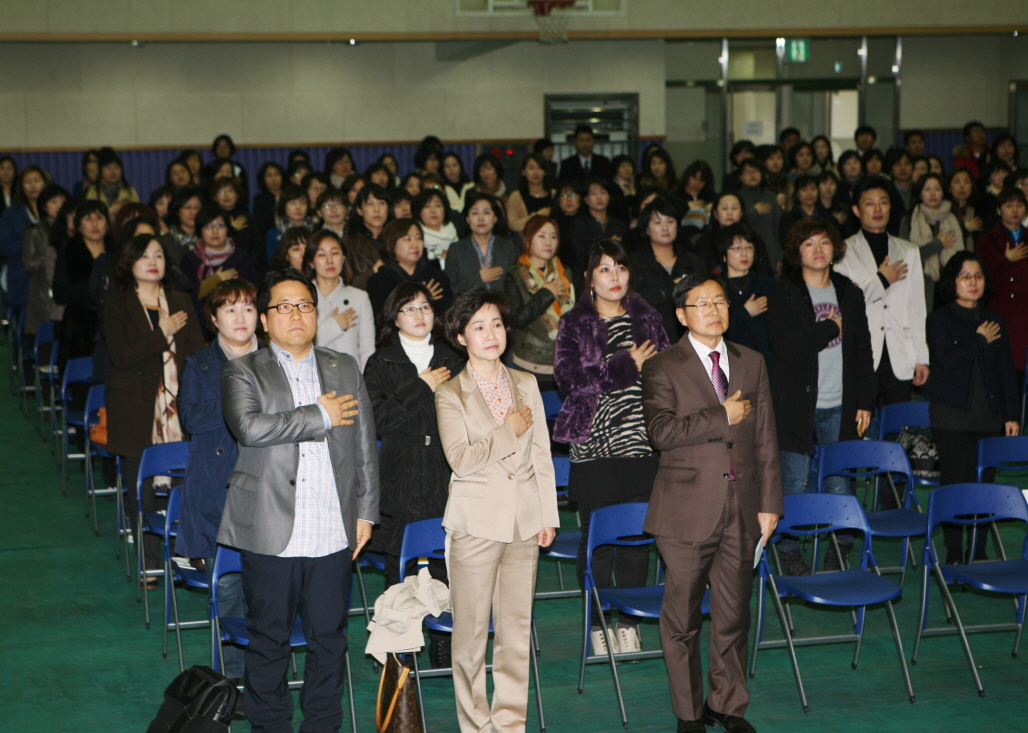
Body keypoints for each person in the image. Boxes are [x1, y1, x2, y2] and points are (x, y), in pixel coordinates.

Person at [218, 267, 379, 733]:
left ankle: (323, 726)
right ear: (265, 320)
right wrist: (318, 416)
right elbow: (249, 427)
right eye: (283, 306)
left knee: (329, 640)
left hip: (333, 528)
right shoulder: (243, 369)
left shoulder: (344, 366)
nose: (295, 314)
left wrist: (367, 511)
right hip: (271, 528)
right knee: (269, 641)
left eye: (305, 305)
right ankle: (270, 727)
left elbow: (366, 444)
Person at [641, 272, 782, 733]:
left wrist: (770, 503)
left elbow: (765, 439)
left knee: (733, 614)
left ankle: (727, 706)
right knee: (682, 618)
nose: (714, 310)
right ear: (682, 315)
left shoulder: (751, 361)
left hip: (742, 507)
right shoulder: (662, 366)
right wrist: (721, 414)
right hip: (684, 510)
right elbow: (661, 433)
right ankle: (689, 713)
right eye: (702, 304)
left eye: (720, 301)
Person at [434, 287, 558, 733]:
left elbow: (542, 452)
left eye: (498, 324)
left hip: (525, 521)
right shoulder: (450, 393)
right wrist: (508, 431)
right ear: (462, 337)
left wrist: (548, 514)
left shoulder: (524, 381)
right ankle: (474, 726)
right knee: (469, 640)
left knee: (515, 634)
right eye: (479, 327)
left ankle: (509, 725)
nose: (491, 334)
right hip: (476, 523)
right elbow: (461, 460)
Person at [552, 239, 670, 654]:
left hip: (643, 445)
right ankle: (599, 622)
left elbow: (668, 372)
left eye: (620, 267)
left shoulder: (648, 318)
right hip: (595, 449)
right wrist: (626, 365)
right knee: (600, 544)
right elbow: (569, 381)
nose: (614, 276)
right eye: (605, 269)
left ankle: (629, 622)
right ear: (590, 278)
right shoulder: (575, 323)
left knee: (637, 542)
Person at [768, 217, 876, 574]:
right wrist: (830, 328)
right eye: (809, 243)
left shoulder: (849, 292)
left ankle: (840, 545)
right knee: (793, 482)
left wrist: (865, 401)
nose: (818, 250)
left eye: (825, 242)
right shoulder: (784, 293)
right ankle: (788, 549)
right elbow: (785, 346)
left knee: (839, 482)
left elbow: (862, 351)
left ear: (835, 249)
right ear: (797, 252)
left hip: (841, 403)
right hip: (796, 405)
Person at [105, 234, 205, 576]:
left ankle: (182, 554)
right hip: (136, 412)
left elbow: (197, 353)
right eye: (145, 255)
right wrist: (161, 333)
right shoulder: (117, 307)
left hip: (181, 411)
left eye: (159, 255)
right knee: (142, 493)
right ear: (129, 264)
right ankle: (149, 565)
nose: (153, 260)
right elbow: (122, 358)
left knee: (186, 486)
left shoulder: (180, 300)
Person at [176, 279, 260, 682]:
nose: (240, 318)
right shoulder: (199, 364)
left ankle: (267, 670)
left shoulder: (280, 359)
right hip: (218, 488)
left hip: (274, 489)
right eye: (229, 310)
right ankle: (236, 680)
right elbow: (192, 418)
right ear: (213, 320)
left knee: (272, 590)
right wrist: (244, 404)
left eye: (247, 308)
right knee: (229, 587)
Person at [362, 282, 464, 595]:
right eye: (408, 308)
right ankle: (397, 643)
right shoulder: (380, 363)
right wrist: (420, 386)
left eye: (425, 307)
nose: (418, 314)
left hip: (444, 469)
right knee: (399, 566)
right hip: (399, 471)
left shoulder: (455, 359)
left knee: (445, 561)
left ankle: (443, 642)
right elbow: (378, 420)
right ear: (394, 318)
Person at [927, 252, 1020, 563]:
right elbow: (946, 360)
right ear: (952, 282)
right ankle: (954, 552)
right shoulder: (939, 319)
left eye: (978, 276)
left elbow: (1007, 370)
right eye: (965, 276)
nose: (973, 282)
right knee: (956, 485)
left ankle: (977, 551)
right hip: (951, 420)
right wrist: (979, 340)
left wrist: (1012, 415)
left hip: (989, 419)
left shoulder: (995, 320)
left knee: (985, 489)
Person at [833, 176, 930, 410]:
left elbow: (917, 307)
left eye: (883, 202)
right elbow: (846, 303)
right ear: (856, 209)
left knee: (899, 428)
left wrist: (922, 357)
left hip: (900, 350)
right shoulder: (842, 252)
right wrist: (881, 280)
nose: (877, 209)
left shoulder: (908, 250)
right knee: (860, 426)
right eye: (869, 203)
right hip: (862, 352)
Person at [504, 215, 574, 387]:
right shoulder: (516, 275)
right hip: (531, 362)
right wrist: (546, 293)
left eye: (553, 236)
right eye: (541, 236)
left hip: (564, 360)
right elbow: (518, 319)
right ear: (528, 240)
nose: (548, 242)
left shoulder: (565, 273)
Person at [630, 197, 705, 341]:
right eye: (658, 222)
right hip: (650, 340)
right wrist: (671, 290)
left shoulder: (693, 262)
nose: (665, 228)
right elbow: (634, 304)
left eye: (670, 221)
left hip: (692, 340)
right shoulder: (635, 263)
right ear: (646, 229)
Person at [181, 205, 259, 333]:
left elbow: (254, 293)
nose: (215, 232)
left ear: (228, 229)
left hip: (240, 327)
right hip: (200, 330)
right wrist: (214, 280)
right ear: (200, 231)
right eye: (208, 226)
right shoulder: (190, 260)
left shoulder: (241, 257)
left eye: (219, 226)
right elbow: (187, 299)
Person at [977, 187, 1028, 374]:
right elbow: (981, 277)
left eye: (1020, 205)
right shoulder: (986, 240)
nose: (1015, 210)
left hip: (1024, 312)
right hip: (998, 311)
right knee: (1000, 370)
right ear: (999, 210)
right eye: (1009, 205)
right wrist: (1006, 260)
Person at [307, 229, 374, 370]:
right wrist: (333, 326)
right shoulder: (303, 298)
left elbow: (367, 350)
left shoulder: (359, 297)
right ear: (311, 262)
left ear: (343, 258)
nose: (329, 260)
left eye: (335, 253)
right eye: (321, 254)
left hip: (350, 380)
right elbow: (298, 347)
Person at [53, 200, 110, 362]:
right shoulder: (69, 251)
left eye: (99, 218)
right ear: (78, 226)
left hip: (113, 323)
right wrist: (95, 281)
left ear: (107, 223)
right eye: (88, 219)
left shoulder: (117, 252)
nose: (94, 224)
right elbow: (60, 294)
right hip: (79, 327)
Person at [899, 172, 965, 310]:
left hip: (950, 283)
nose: (933, 193)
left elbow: (963, 255)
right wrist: (937, 245)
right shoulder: (909, 220)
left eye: (937, 189)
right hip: (921, 284)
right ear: (919, 194)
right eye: (927, 189)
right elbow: (905, 257)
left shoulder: (953, 218)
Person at [717, 223, 776, 375]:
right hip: (727, 367)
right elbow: (715, 331)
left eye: (749, 248)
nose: (744, 254)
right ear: (724, 254)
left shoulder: (769, 286)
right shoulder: (715, 289)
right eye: (737, 248)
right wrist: (745, 313)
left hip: (766, 368)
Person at [367, 218, 452, 315]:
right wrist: (422, 300)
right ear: (391, 244)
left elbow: (448, 317)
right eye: (407, 239)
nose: (415, 244)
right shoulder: (379, 281)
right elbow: (382, 319)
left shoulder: (437, 277)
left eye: (419, 238)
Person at [446, 192, 518, 295]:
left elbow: (515, 288)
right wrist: (478, 278)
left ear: (495, 218)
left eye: (486, 212)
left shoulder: (508, 247)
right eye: (475, 213)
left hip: (502, 309)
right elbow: (450, 290)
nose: (481, 218)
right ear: (467, 218)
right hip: (468, 309)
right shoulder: (456, 249)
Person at [0, 165, 51, 311]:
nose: (33, 185)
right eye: (28, 182)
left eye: (37, 180)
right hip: (22, 279)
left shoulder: (53, 210)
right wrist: (33, 244)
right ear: (21, 186)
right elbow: (4, 246)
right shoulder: (11, 213)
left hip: (51, 278)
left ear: (45, 184)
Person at [22, 184, 68, 337]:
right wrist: (52, 254)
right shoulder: (34, 231)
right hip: (43, 298)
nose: (59, 206)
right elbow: (29, 264)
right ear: (44, 207)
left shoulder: (73, 230)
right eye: (53, 202)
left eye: (62, 201)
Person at [736, 159, 782, 272]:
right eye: (747, 171)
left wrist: (779, 257)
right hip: (742, 252)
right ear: (740, 177)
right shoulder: (736, 197)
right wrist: (754, 212)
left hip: (769, 252)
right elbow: (734, 223)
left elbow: (778, 229)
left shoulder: (769, 196)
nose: (752, 175)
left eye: (756, 171)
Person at [343, 183, 391, 290]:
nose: (377, 209)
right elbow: (344, 283)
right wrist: (374, 270)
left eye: (382, 203)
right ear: (359, 210)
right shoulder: (348, 242)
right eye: (370, 204)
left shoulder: (397, 239)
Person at [265, 184, 314, 267]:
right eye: (293, 203)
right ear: (284, 206)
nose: (298, 207)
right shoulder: (274, 234)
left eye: (303, 203)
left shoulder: (316, 229)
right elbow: (272, 263)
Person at [506, 153, 554, 233]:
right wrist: (537, 215)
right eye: (531, 168)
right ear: (523, 172)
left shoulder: (554, 194)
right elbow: (512, 224)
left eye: (539, 168)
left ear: (545, 172)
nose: (535, 172)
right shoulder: (516, 197)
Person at [85, 149, 139, 218]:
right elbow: (90, 216)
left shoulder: (130, 191)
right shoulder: (93, 191)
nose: (113, 172)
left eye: (116, 168)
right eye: (108, 168)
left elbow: (137, 214)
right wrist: (111, 211)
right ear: (101, 172)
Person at [413, 187, 459, 266]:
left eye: (437, 205)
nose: (433, 211)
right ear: (418, 210)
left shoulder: (454, 228)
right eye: (427, 206)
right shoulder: (414, 235)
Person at [162, 186, 203, 265]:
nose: (193, 212)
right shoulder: (168, 240)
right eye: (188, 208)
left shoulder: (207, 238)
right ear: (177, 210)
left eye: (197, 208)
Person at [252, 161, 286, 241]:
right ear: (263, 179)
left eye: (277, 174)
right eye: (269, 175)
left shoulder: (289, 195)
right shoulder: (259, 200)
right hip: (268, 239)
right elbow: (260, 226)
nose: (274, 179)